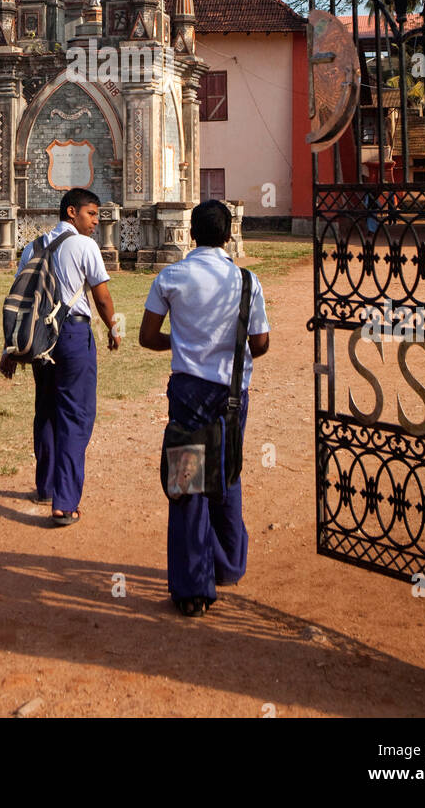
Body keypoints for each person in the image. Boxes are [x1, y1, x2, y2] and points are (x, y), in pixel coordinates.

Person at [138, 199, 270, 616]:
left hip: (188, 392)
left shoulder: (171, 277)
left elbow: (146, 336)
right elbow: (261, 344)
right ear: (230, 234)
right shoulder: (247, 282)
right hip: (232, 394)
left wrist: (183, 344)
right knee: (228, 471)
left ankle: (193, 589)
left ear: (191, 234)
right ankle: (228, 565)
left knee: (188, 482)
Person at [4, 187, 118, 526]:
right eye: (91, 214)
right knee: (76, 414)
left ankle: (46, 486)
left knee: (48, 409)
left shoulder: (32, 247)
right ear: (71, 212)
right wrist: (113, 327)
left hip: (41, 337)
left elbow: (21, 300)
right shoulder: (84, 246)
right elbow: (102, 296)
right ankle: (65, 502)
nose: (96, 221)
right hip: (72, 335)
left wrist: (10, 348)